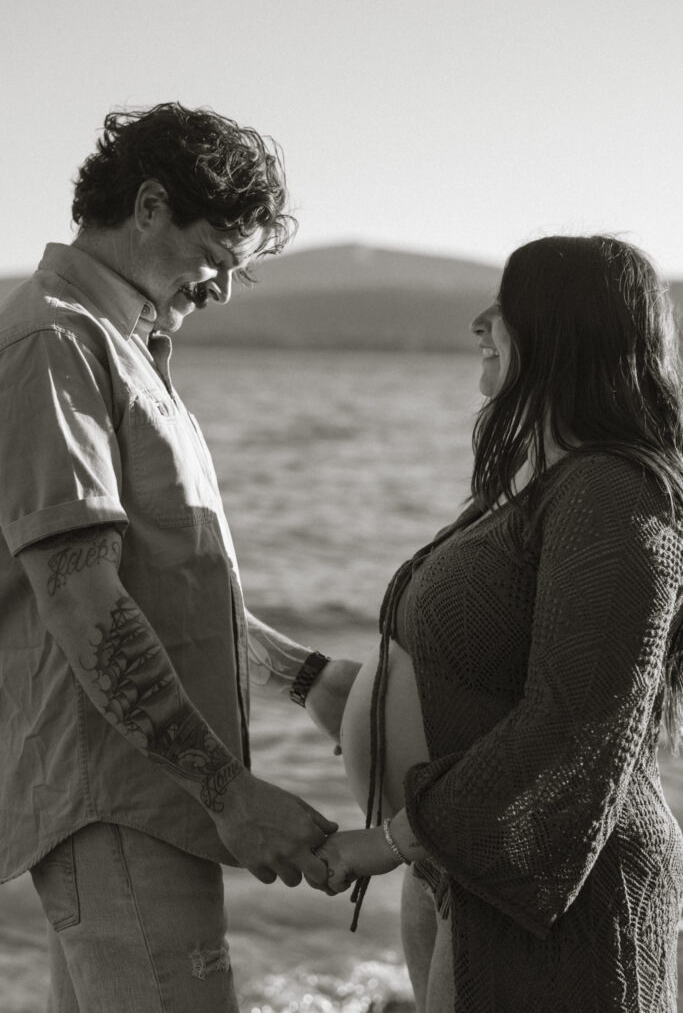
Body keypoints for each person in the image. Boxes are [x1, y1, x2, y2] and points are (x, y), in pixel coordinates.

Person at [0, 102, 360, 1013]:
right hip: (122, 802)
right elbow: (80, 600)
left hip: (143, 803)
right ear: (150, 206)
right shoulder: (58, 342)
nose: (223, 288)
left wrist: (300, 675)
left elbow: (158, 584)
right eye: (217, 257)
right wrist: (229, 790)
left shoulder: (121, 345)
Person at [318, 235, 683, 1012]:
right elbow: (459, 685)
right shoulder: (545, 488)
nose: (480, 322)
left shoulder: (612, 494)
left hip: (564, 909)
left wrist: (386, 842)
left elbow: (576, 726)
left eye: (505, 306)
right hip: (472, 884)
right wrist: (275, 663)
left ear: (562, 329)